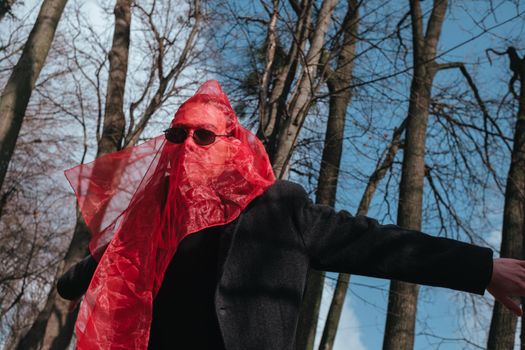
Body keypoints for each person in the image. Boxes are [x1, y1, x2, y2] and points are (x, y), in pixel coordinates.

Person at [58, 80, 525, 350]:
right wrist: (74, 278)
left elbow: (376, 243)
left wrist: (481, 269)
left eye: (203, 136)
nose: (187, 148)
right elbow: (105, 264)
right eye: (177, 135)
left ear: (231, 145)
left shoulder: (280, 208)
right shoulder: (154, 223)